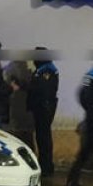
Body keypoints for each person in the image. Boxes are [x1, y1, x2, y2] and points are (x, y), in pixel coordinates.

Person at [27, 47, 59, 176]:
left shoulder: (47, 70)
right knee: (42, 137)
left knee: (43, 137)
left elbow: (42, 89)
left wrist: (25, 86)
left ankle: (46, 167)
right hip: (43, 106)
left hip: (44, 107)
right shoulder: (44, 69)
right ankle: (45, 165)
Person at [5, 59, 34, 150]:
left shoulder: (11, 74)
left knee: (22, 139)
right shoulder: (31, 74)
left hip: (21, 114)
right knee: (27, 139)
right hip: (24, 114)